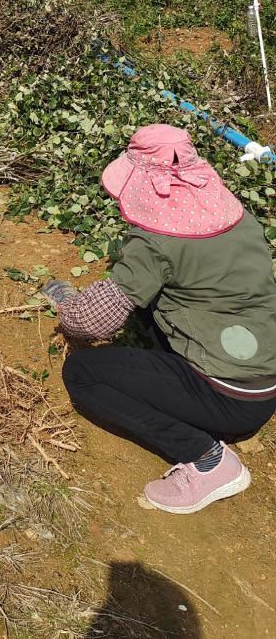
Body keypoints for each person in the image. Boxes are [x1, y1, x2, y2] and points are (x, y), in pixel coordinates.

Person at [41, 124, 276, 515]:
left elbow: (90, 324)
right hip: (263, 379)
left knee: (83, 372)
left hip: (226, 397)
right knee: (152, 301)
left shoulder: (156, 245)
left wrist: (67, 304)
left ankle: (207, 460)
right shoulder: (238, 217)